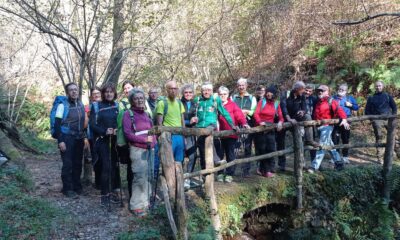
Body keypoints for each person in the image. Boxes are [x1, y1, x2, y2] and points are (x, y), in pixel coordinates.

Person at [123, 89, 156, 217]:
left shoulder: (147, 114)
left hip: (150, 149)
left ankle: (146, 202)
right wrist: (144, 140)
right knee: (139, 177)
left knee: (149, 176)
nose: (139, 100)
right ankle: (136, 205)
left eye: (141, 98)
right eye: (136, 98)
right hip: (137, 149)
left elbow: (152, 130)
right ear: (132, 100)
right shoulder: (128, 114)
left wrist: (154, 143)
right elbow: (128, 134)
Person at [54, 82, 88, 198]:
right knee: (68, 164)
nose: (74, 92)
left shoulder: (80, 104)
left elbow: (83, 123)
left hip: (79, 138)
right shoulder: (62, 105)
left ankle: (76, 186)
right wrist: (60, 141)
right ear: (67, 92)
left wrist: (85, 138)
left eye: (75, 89)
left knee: (77, 163)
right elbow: (57, 124)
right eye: (71, 90)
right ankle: (67, 188)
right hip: (66, 138)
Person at [89, 84, 121, 207]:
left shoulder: (117, 106)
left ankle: (114, 191)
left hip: (115, 141)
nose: (108, 94)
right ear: (103, 93)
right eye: (106, 92)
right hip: (102, 141)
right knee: (106, 167)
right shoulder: (97, 106)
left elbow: (121, 122)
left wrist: (117, 130)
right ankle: (104, 195)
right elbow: (92, 124)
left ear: (114, 93)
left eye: (111, 92)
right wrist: (104, 131)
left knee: (115, 166)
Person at [192, 82, 235, 170]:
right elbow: (192, 113)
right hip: (199, 126)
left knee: (208, 134)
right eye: (204, 90)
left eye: (208, 90)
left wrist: (232, 125)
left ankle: (216, 160)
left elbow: (224, 112)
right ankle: (205, 175)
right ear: (201, 91)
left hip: (211, 125)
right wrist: (192, 119)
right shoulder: (197, 100)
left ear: (212, 91)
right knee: (203, 152)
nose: (206, 92)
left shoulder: (216, 100)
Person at [308, 85, 350, 173]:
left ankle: (314, 166)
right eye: (319, 90)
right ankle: (338, 162)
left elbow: (339, 110)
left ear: (327, 92)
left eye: (322, 91)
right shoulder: (318, 101)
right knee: (329, 144)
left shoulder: (331, 101)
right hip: (319, 127)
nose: (320, 92)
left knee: (322, 145)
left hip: (327, 126)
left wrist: (344, 119)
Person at [216, 86, 249, 183]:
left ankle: (230, 173)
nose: (222, 96)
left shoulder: (232, 105)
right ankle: (220, 173)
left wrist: (244, 123)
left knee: (230, 155)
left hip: (231, 134)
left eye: (224, 94)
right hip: (218, 135)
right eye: (220, 94)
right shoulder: (215, 105)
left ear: (228, 95)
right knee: (219, 155)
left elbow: (239, 116)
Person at [283, 81, 320, 163]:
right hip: (287, 118)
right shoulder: (286, 94)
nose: (304, 91)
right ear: (296, 89)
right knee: (299, 137)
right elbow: (283, 108)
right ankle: (300, 163)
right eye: (302, 89)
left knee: (307, 116)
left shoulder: (302, 96)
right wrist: (289, 119)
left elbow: (305, 107)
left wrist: (302, 111)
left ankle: (309, 139)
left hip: (297, 117)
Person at [253, 85, 284, 178]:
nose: (269, 94)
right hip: (260, 128)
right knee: (262, 149)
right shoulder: (262, 102)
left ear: (274, 94)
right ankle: (265, 171)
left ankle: (269, 169)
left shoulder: (276, 104)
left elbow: (281, 116)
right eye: (268, 93)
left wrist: (280, 122)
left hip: (270, 129)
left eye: (270, 93)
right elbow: (256, 114)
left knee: (271, 148)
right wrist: (260, 122)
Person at [365, 80, 397, 162]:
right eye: (376, 86)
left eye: (379, 85)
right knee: (379, 137)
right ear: (375, 87)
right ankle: (380, 157)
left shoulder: (387, 96)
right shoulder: (371, 97)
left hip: (388, 119)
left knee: (393, 135)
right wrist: (372, 119)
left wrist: (393, 117)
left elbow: (394, 107)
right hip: (377, 120)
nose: (378, 87)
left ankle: (396, 153)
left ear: (383, 86)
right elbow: (367, 110)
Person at [232, 77, 257, 177]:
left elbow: (254, 111)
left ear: (246, 86)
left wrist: (247, 112)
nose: (241, 87)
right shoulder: (234, 98)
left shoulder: (252, 98)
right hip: (236, 124)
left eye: (243, 85)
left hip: (248, 123)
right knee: (235, 147)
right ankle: (232, 170)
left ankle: (246, 171)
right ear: (237, 86)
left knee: (247, 146)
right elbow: (231, 110)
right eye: (239, 85)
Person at [155, 81, 185, 164]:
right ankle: (169, 177)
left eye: (175, 88)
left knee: (179, 161)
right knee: (168, 161)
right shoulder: (162, 103)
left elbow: (182, 120)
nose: (173, 91)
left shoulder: (179, 103)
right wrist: (161, 138)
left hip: (179, 136)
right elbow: (159, 123)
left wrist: (184, 137)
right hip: (168, 136)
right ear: (167, 90)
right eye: (171, 88)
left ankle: (178, 177)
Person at [116, 80, 135, 198]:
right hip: (128, 140)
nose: (127, 90)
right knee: (130, 166)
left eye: (129, 87)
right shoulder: (121, 104)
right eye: (125, 88)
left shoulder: (142, 101)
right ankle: (131, 191)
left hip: (141, 139)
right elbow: (119, 123)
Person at [332, 83, 359, 164]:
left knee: (345, 138)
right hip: (335, 120)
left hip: (347, 120)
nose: (340, 91)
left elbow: (356, 107)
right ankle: (336, 157)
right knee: (334, 138)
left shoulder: (349, 98)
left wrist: (350, 105)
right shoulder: (333, 98)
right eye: (339, 89)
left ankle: (345, 156)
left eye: (342, 90)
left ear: (346, 91)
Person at [180, 84, 198, 188]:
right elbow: (178, 118)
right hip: (182, 132)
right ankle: (180, 178)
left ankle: (188, 178)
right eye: (186, 92)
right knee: (181, 156)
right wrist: (188, 121)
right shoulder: (179, 103)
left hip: (192, 133)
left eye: (190, 92)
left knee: (192, 156)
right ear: (183, 93)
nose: (188, 94)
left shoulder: (195, 103)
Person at [87, 87, 102, 189]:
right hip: (92, 137)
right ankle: (98, 183)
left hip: (103, 135)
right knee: (96, 159)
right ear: (91, 96)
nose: (96, 95)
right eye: (94, 94)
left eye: (98, 93)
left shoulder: (105, 105)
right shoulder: (88, 107)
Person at [304, 84, 318, 161]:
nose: (308, 92)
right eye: (306, 90)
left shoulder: (314, 99)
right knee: (302, 143)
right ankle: (302, 164)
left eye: (310, 91)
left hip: (312, 124)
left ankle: (314, 162)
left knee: (313, 143)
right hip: (302, 124)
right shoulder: (300, 97)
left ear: (312, 92)